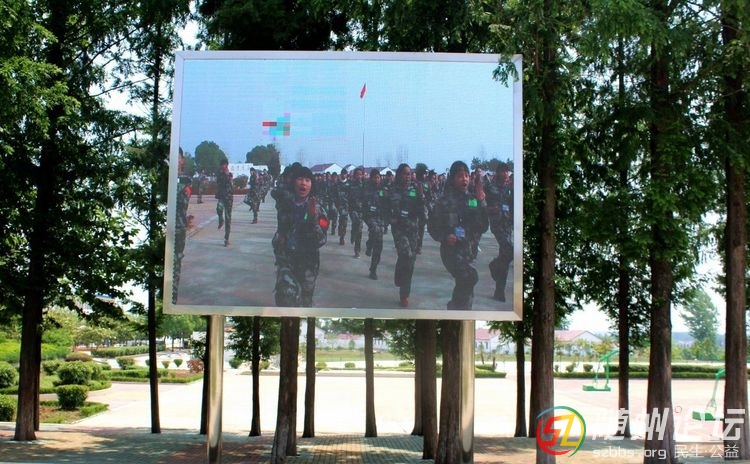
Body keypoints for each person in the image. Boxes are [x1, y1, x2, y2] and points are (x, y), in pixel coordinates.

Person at [428, 160, 488, 310]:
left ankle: (456, 309)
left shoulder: (473, 200)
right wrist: (445, 237)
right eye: (460, 176)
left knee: (466, 291)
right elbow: (432, 227)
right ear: (452, 178)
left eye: (467, 175)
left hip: (468, 251)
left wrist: (482, 202)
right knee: (470, 276)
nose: (464, 179)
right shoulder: (443, 202)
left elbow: (483, 227)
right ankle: (455, 308)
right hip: (451, 252)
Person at [272, 166, 329, 307]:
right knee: (286, 296)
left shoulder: (319, 209)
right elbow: (281, 231)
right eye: (300, 179)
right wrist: (278, 243)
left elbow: (321, 240)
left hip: (307, 263)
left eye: (307, 180)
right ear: (294, 182)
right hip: (287, 260)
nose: (303, 183)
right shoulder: (286, 205)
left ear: (312, 185)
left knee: (305, 302)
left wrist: (312, 219)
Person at [388, 163, 425, 307]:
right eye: (404, 173)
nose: (407, 176)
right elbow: (384, 207)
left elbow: (422, 210)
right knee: (407, 255)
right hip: (399, 229)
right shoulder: (391, 190)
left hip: (413, 229)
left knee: (410, 262)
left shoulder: (415, 190)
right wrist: (389, 219)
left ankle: (404, 290)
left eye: (409, 174)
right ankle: (404, 295)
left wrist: (421, 196)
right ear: (398, 175)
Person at [486, 162, 514, 301]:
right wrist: (491, 209)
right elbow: (481, 204)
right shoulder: (490, 187)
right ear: (498, 172)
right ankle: (494, 265)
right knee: (509, 250)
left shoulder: (510, 188)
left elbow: (513, 205)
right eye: (503, 171)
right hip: (497, 223)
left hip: (507, 223)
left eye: (507, 172)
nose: (506, 174)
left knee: (505, 256)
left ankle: (499, 291)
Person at [363, 169, 389, 280]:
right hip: (370, 217)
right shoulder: (366, 189)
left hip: (380, 218)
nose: (377, 179)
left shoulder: (383, 190)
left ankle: (373, 269)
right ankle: (369, 244)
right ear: (371, 178)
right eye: (375, 177)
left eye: (378, 177)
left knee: (379, 245)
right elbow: (362, 204)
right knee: (375, 230)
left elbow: (387, 204)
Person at [172, 175, 192, 303]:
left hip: (175, 227)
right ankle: (173, 296)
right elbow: (183, 207)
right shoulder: (185, 190)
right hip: (179, 229)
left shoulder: (175, 188)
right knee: (177, 259)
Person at [347, 167, 367, 258]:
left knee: (359, 230)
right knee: (357, 224)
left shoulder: (365, 185)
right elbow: (348, 198)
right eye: (357, 174)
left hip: (361, 210)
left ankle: (357, 250)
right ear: (354, 175)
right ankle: (353, 234)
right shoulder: (351, 185)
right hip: (353, 210)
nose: (359, 176)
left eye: (360, 174)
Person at [215, 158, 233, 247]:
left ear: (227, 165)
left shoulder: (230, 175)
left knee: (228, 218)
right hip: (221, 197)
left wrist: (226, 174)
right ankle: (220, 220)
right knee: (218, 208)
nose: (223, 166)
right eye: (221, 165)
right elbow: (218, 182)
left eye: (224, 165)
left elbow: (229, 183)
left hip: (228, 199)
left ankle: (226, 239)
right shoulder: (219, 174)